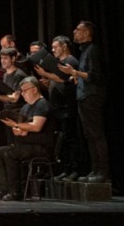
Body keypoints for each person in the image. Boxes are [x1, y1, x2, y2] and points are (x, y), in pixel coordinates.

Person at [58, 21, 109, 184]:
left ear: (87, 33)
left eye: (78, 30)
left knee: (96, 135)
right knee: (89, 135)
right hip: (83, 96)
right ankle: (95, 169)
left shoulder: (93, 50)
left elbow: (95, 75)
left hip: (91, 97)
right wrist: (74, 76)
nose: (74, 32)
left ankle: (103, 172)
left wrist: (74, 72)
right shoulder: (84, 51)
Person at [0, 76, 55, 201]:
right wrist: (18, 130)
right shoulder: (26, 107)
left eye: (25, 91)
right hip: (26, 144)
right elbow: (22, 127)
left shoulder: (42, 104)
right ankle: (4, 189)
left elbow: (36, 127)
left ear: (35, 90)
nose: (22, 94)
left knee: (10, 154)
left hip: (40, 146)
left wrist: (16, 125)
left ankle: (16, 192)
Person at [36, 35, 83, 182]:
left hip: (67, 107)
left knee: (70, 139)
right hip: (59, 108)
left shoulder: (70, 62)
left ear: (64, 47)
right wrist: (46, 83)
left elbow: (64, 80)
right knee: (62, 140)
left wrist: (45, 74)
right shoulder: (59, 63)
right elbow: (57, 83)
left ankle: (74, 170)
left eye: (55, 47)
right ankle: (66, 169)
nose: (53, 49)